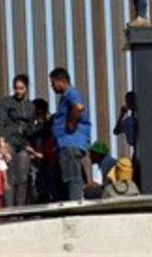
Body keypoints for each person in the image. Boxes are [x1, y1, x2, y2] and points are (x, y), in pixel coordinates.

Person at [49, 68, 91, 202]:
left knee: (72, 176)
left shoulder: (71, 93)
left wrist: (71, 124)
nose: (52, 87)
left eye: (53, 83)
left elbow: (78, 107)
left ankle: (75, 203)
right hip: (65, 142)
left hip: (70, 141)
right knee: (70, 175)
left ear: (62, 81)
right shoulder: (65, 97)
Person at [0, 74, 35, 207]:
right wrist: (1, 143)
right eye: (16, 88)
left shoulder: (30, 106)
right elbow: (0, 123)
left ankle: (20, 209)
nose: (18, 91)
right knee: (10, 175)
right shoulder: (6, 102)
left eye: (21, 88)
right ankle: (10, 209)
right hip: (9, 141)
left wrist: (29, 144)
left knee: (23, 177)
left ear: (26, 88)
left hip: (23, 144)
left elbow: (31, 128)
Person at [113, 91, 138, 160]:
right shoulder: (128, 120)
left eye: (131, 100)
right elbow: (116, 131)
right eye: (128, 101)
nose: (129, 103)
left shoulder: (135, 117)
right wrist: (121, 115)